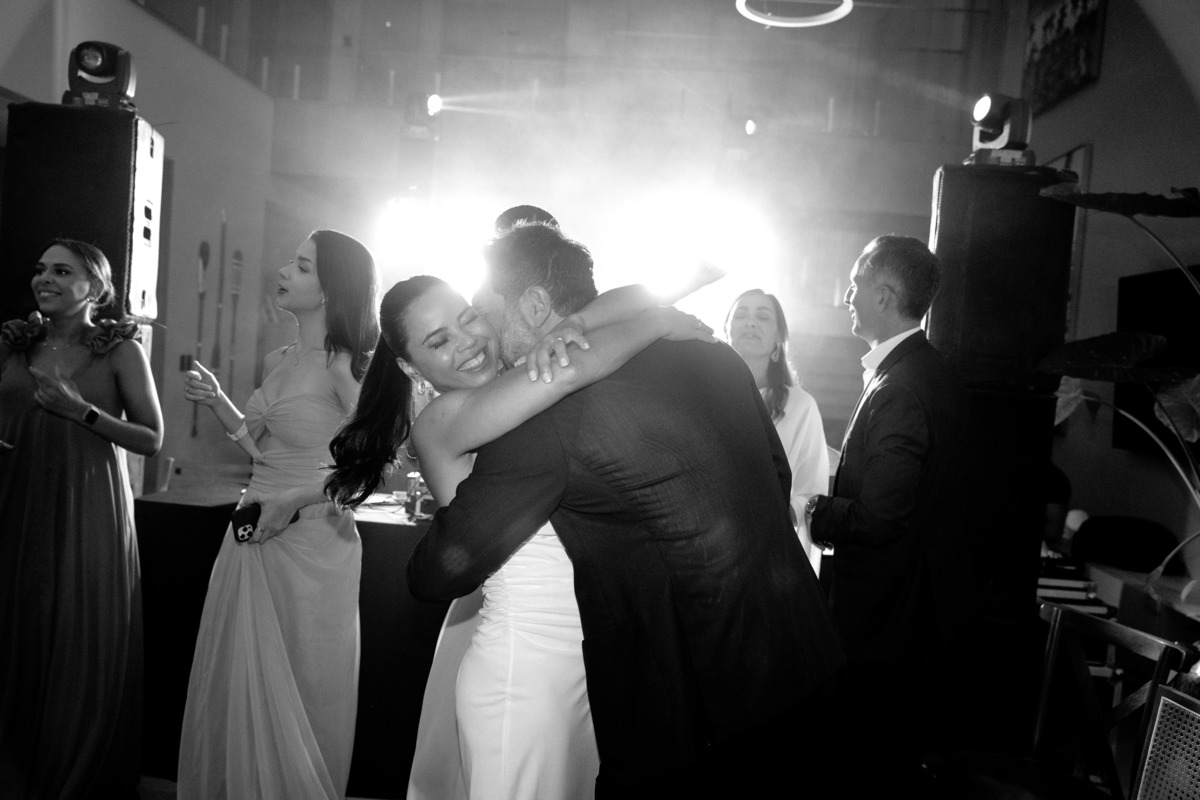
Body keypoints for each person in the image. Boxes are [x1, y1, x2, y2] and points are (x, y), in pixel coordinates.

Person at [406, 222, 845, 800]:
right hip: (806, 657)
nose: (481, 333)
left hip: (696, 710)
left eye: (482, 312)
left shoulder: (543, 415)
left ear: (534, 305)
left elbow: (444, 570)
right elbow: (775, 475)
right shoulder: (713, 353)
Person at [326, 241, 717, 800]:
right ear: (412, 368)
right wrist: (658, 319)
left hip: (586, 661)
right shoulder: (441, 422)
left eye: (468, 318)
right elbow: (569, 369)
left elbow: (597, 312)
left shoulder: (513, 381)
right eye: (439, 341)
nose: (467, 342)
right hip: (524, 670)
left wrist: (648, 296)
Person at [176, 230, 379, 799]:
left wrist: (295, 499)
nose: (285, 271)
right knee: (240, 675)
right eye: (292, 261)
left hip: (311, 543)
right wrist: (218, 400)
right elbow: (262, 447)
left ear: (331, 288)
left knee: (303, 683)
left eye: (303, 266)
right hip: (250, 531)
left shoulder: (345, 367)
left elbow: (369, 469)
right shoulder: (278, 358)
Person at [804, 234, 969, 794]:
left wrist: (816, 510)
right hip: (910, 611)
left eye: (856, 284)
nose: (847, 295)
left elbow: (879, 518)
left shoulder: (900, 385)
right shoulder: (928, 369)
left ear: (884, 294)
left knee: (865, 768)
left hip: (886, 619)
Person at [0, 239, 163, 799]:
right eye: (40, 269)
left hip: (87, 504)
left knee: (77, 631)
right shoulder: (14, 343)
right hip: (16, 500)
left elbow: (151, 438)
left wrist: (82, 411)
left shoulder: (119, 351)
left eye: (61, 270)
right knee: (16, 630)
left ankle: (72, 773)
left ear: (93, 287)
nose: (44, 278)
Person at [726, 288, 830, 573]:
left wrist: (778, 510)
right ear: (726, 332)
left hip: (767, 552)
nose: (750, 322)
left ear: (778, 341)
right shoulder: (702, 395)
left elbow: (811, 494)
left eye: (762, 317)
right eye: (741, 315)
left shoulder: (800, 406)